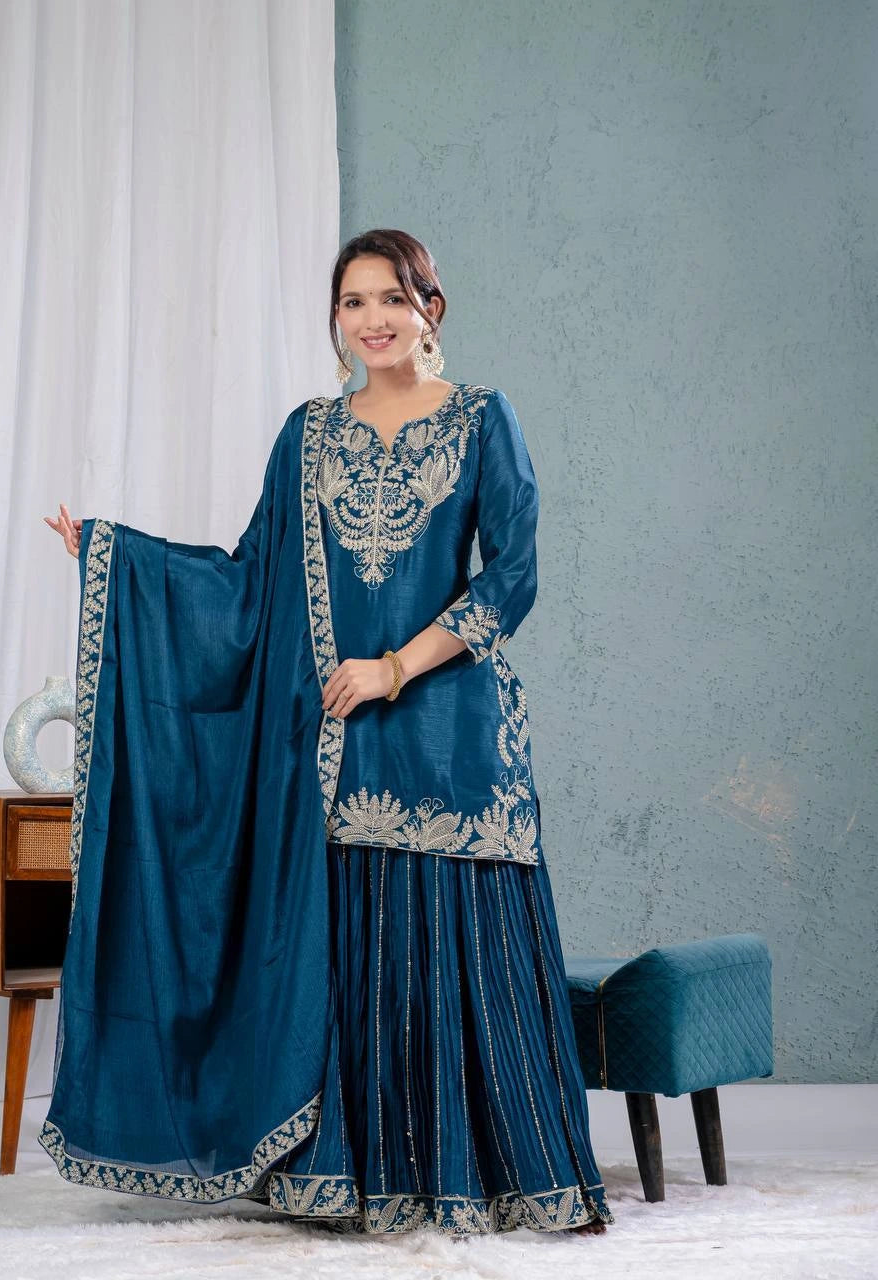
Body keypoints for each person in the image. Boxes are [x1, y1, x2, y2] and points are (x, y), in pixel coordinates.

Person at [43, 228, 614, 1239]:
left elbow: (511, 577)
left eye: (392, 296)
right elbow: (249, 579)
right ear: (336, 318)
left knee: (452, 944)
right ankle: (345, 1175)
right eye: (352, 302)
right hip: (335, 747)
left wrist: (397, 664)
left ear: (430, 306)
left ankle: (478, 1174)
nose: (372, 319)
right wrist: (113, 557)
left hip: (454, 738)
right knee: (347, 951)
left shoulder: (485, 421)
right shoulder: (306, 433)